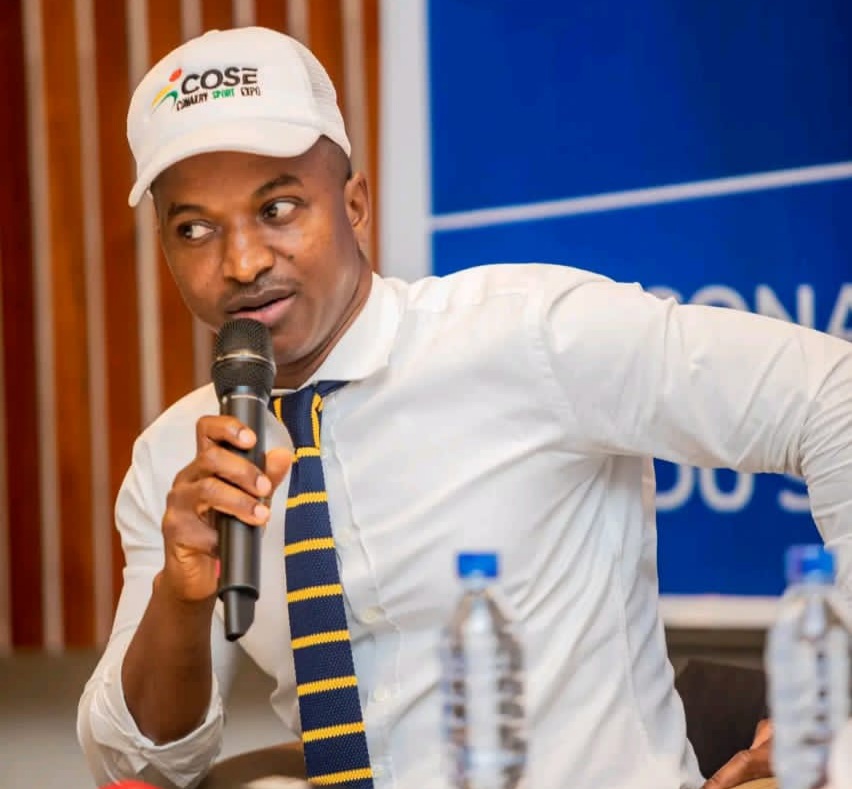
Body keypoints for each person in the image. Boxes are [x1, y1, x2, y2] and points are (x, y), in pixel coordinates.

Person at [77, 25, 851, 789]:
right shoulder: (180, 458)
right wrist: (180, 599)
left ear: (355, 205)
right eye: (195, 228)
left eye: (277, 208)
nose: (242, 261)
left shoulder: (527, 334)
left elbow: (831, 396)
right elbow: (136, 767)